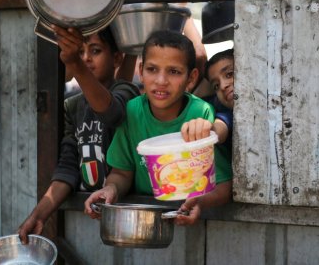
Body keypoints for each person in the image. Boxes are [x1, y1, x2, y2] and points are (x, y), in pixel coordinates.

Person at [83, 30, 233, 226]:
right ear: (140, 71)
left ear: (191, 78)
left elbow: (223, 184)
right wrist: (111, 189)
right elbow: (122, 173)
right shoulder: (133, 111)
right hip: (141, 222)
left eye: (174, 72)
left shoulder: (201, 113)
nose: (161, 81)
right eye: (152, 69)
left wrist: (201, 202)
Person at [17, 26, 139, 244]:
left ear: (117, 57)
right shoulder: (72, 106)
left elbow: (111, 113)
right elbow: (68, 168)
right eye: (80, 52)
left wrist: (74, 62)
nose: (86, 58)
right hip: (89, 213)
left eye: (95, 51)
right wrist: (39, 214)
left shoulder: (127, 91)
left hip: (126, 212)